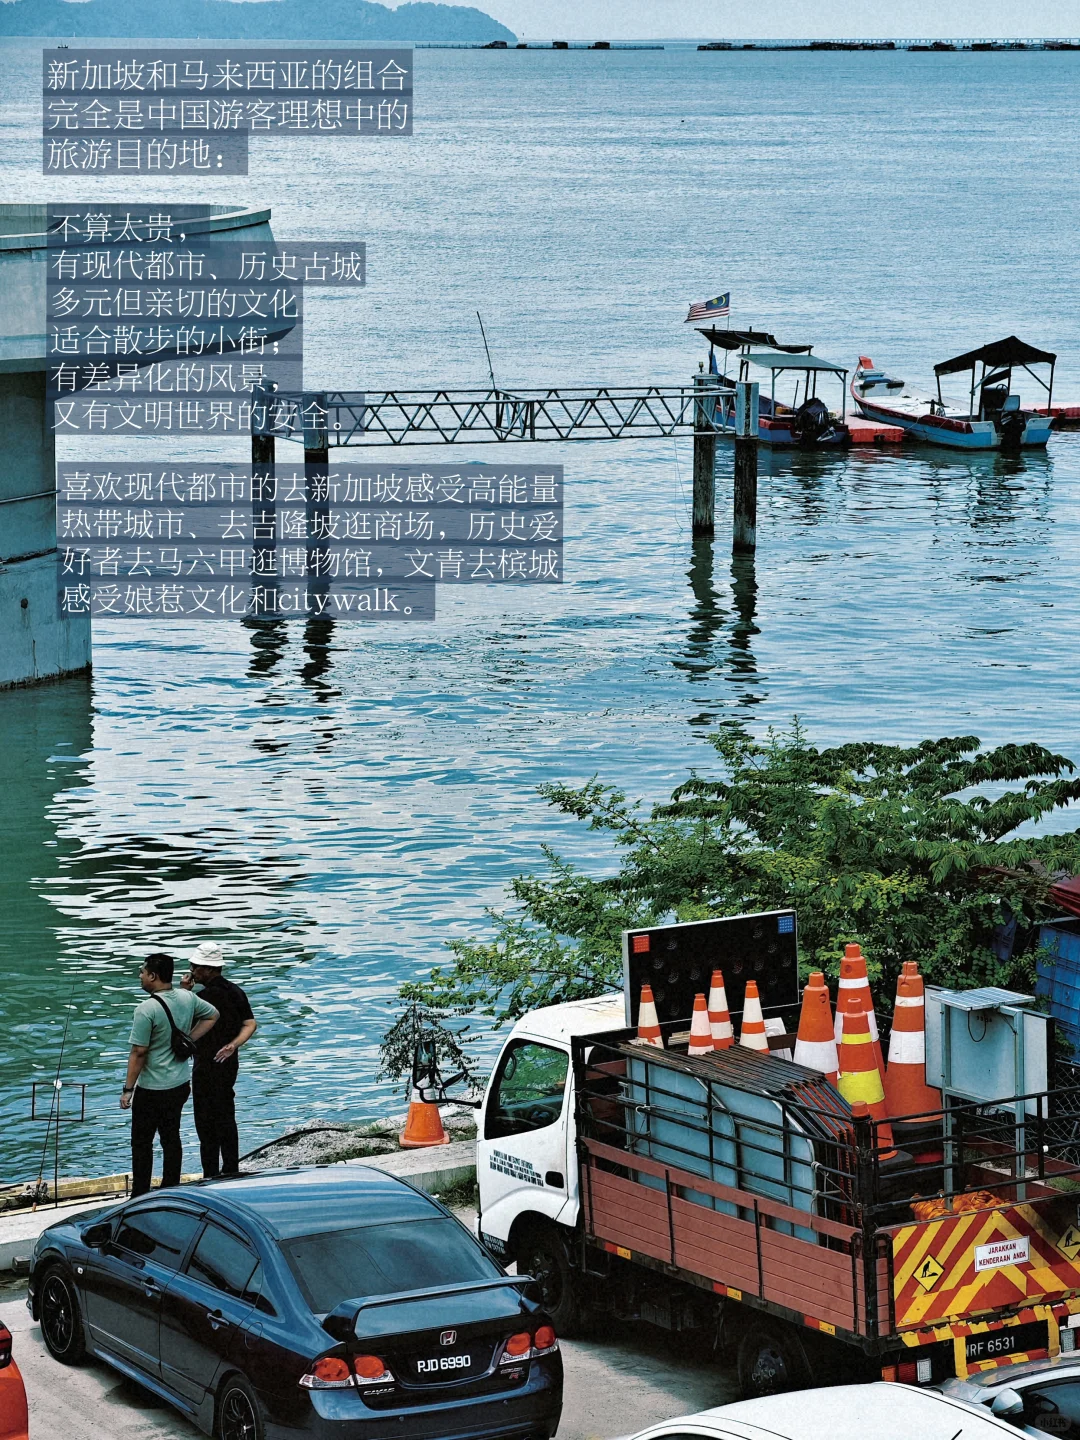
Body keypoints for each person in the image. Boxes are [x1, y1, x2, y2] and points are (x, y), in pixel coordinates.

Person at [122, 953, 219, 1197]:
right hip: (179, 1084)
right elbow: (212, 1015)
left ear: (153, 976)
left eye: (142, 972)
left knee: (142, 1143)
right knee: (171, 1137)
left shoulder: (146, 1009)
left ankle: (140, 1193)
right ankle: (170, 1188)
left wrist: (128, 1089)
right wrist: (190, 1039)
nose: (140, 976)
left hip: (152, 1088)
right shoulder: (188, 997)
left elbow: (139, 1052)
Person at [181, 941, 257, 1179]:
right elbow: (250, 1023)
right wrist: (233, 1045)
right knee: (226, 1113)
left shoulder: (201, 997)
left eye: (195, 967)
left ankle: (211, 1172)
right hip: (228, 1061)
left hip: (205, 1061)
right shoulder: (236, 991)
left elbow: (181, 1023)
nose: (192, 971)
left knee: (205, 1120)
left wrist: (184, 992)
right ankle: (231, 1167)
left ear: (208, 969)